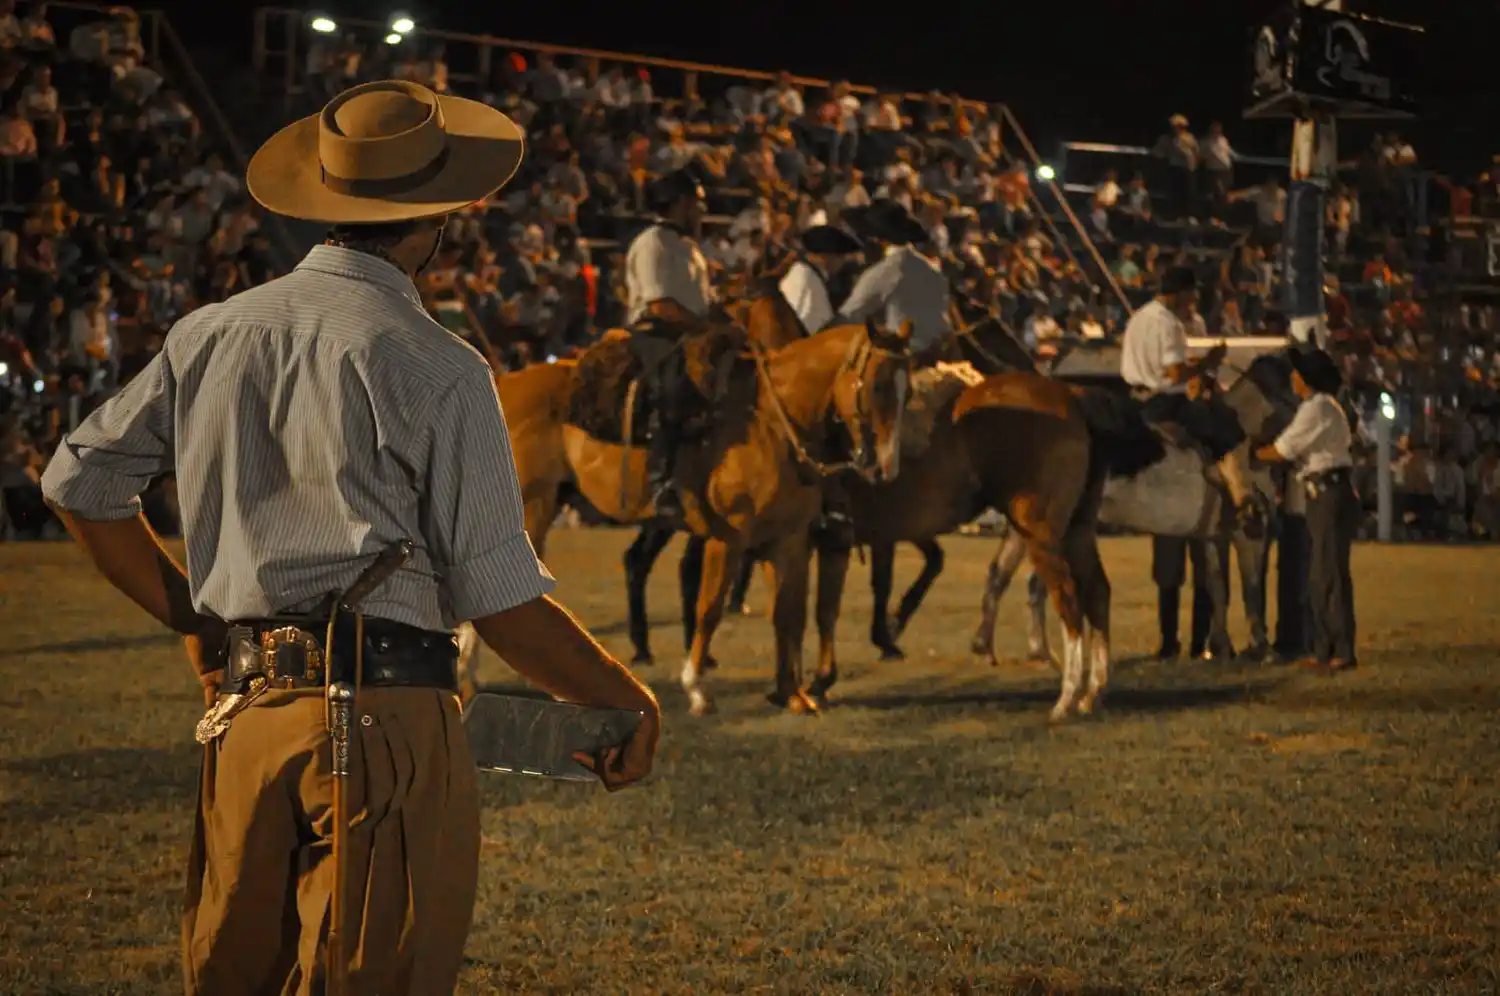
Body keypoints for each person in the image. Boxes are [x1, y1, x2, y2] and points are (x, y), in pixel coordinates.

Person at [40, 79, 662, 994]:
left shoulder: (208, 333)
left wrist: (195, 620)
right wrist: (624, 700)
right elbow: (502, 604)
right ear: (439, 217)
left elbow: (79, 483)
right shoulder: (439, 365)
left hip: (245, 720)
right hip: (383, 724)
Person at [1120, 265, 1262, 535]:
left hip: (1134, 399)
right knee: (1227, 427)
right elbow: (1174, 374)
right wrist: (1209, 362)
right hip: (1165, 403)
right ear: (1181, 292)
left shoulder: (1138, 317)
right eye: (1191, 294)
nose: (1193, 300)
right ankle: (1241, 499)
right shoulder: (1168, 323)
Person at [1254, 347, 1357, 672]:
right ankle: (1326, 648)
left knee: (1328, 572)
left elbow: (1283, 450)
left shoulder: (1316, 408)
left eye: (1296, 373)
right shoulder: (1323, 407)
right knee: (1322, 572)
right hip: (1324, 491)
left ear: (1306, 379)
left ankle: (1340, 649)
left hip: (1327, 492)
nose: (1292, 378)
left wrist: (1253, 452)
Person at [623, 167, 713, 519]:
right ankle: (661, 481)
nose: (703, 211)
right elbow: (660, 304)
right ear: (680, 204)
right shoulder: (653, 243)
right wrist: (705, 327)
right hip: (656, 333)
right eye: (697, 203)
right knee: (673, 386)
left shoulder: (688, 247)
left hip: (691, 333)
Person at [836, 198, 952, 362]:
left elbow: (848, 317)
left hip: (909, 358)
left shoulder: (885, 272)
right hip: (945, 352)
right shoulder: (932, 268)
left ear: (876, 240)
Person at [777, 223, 863, 334]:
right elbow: (815, 329)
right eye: (840, 256)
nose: (842, 262)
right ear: (825, 256)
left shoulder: (801, 272)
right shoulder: (808, 279)